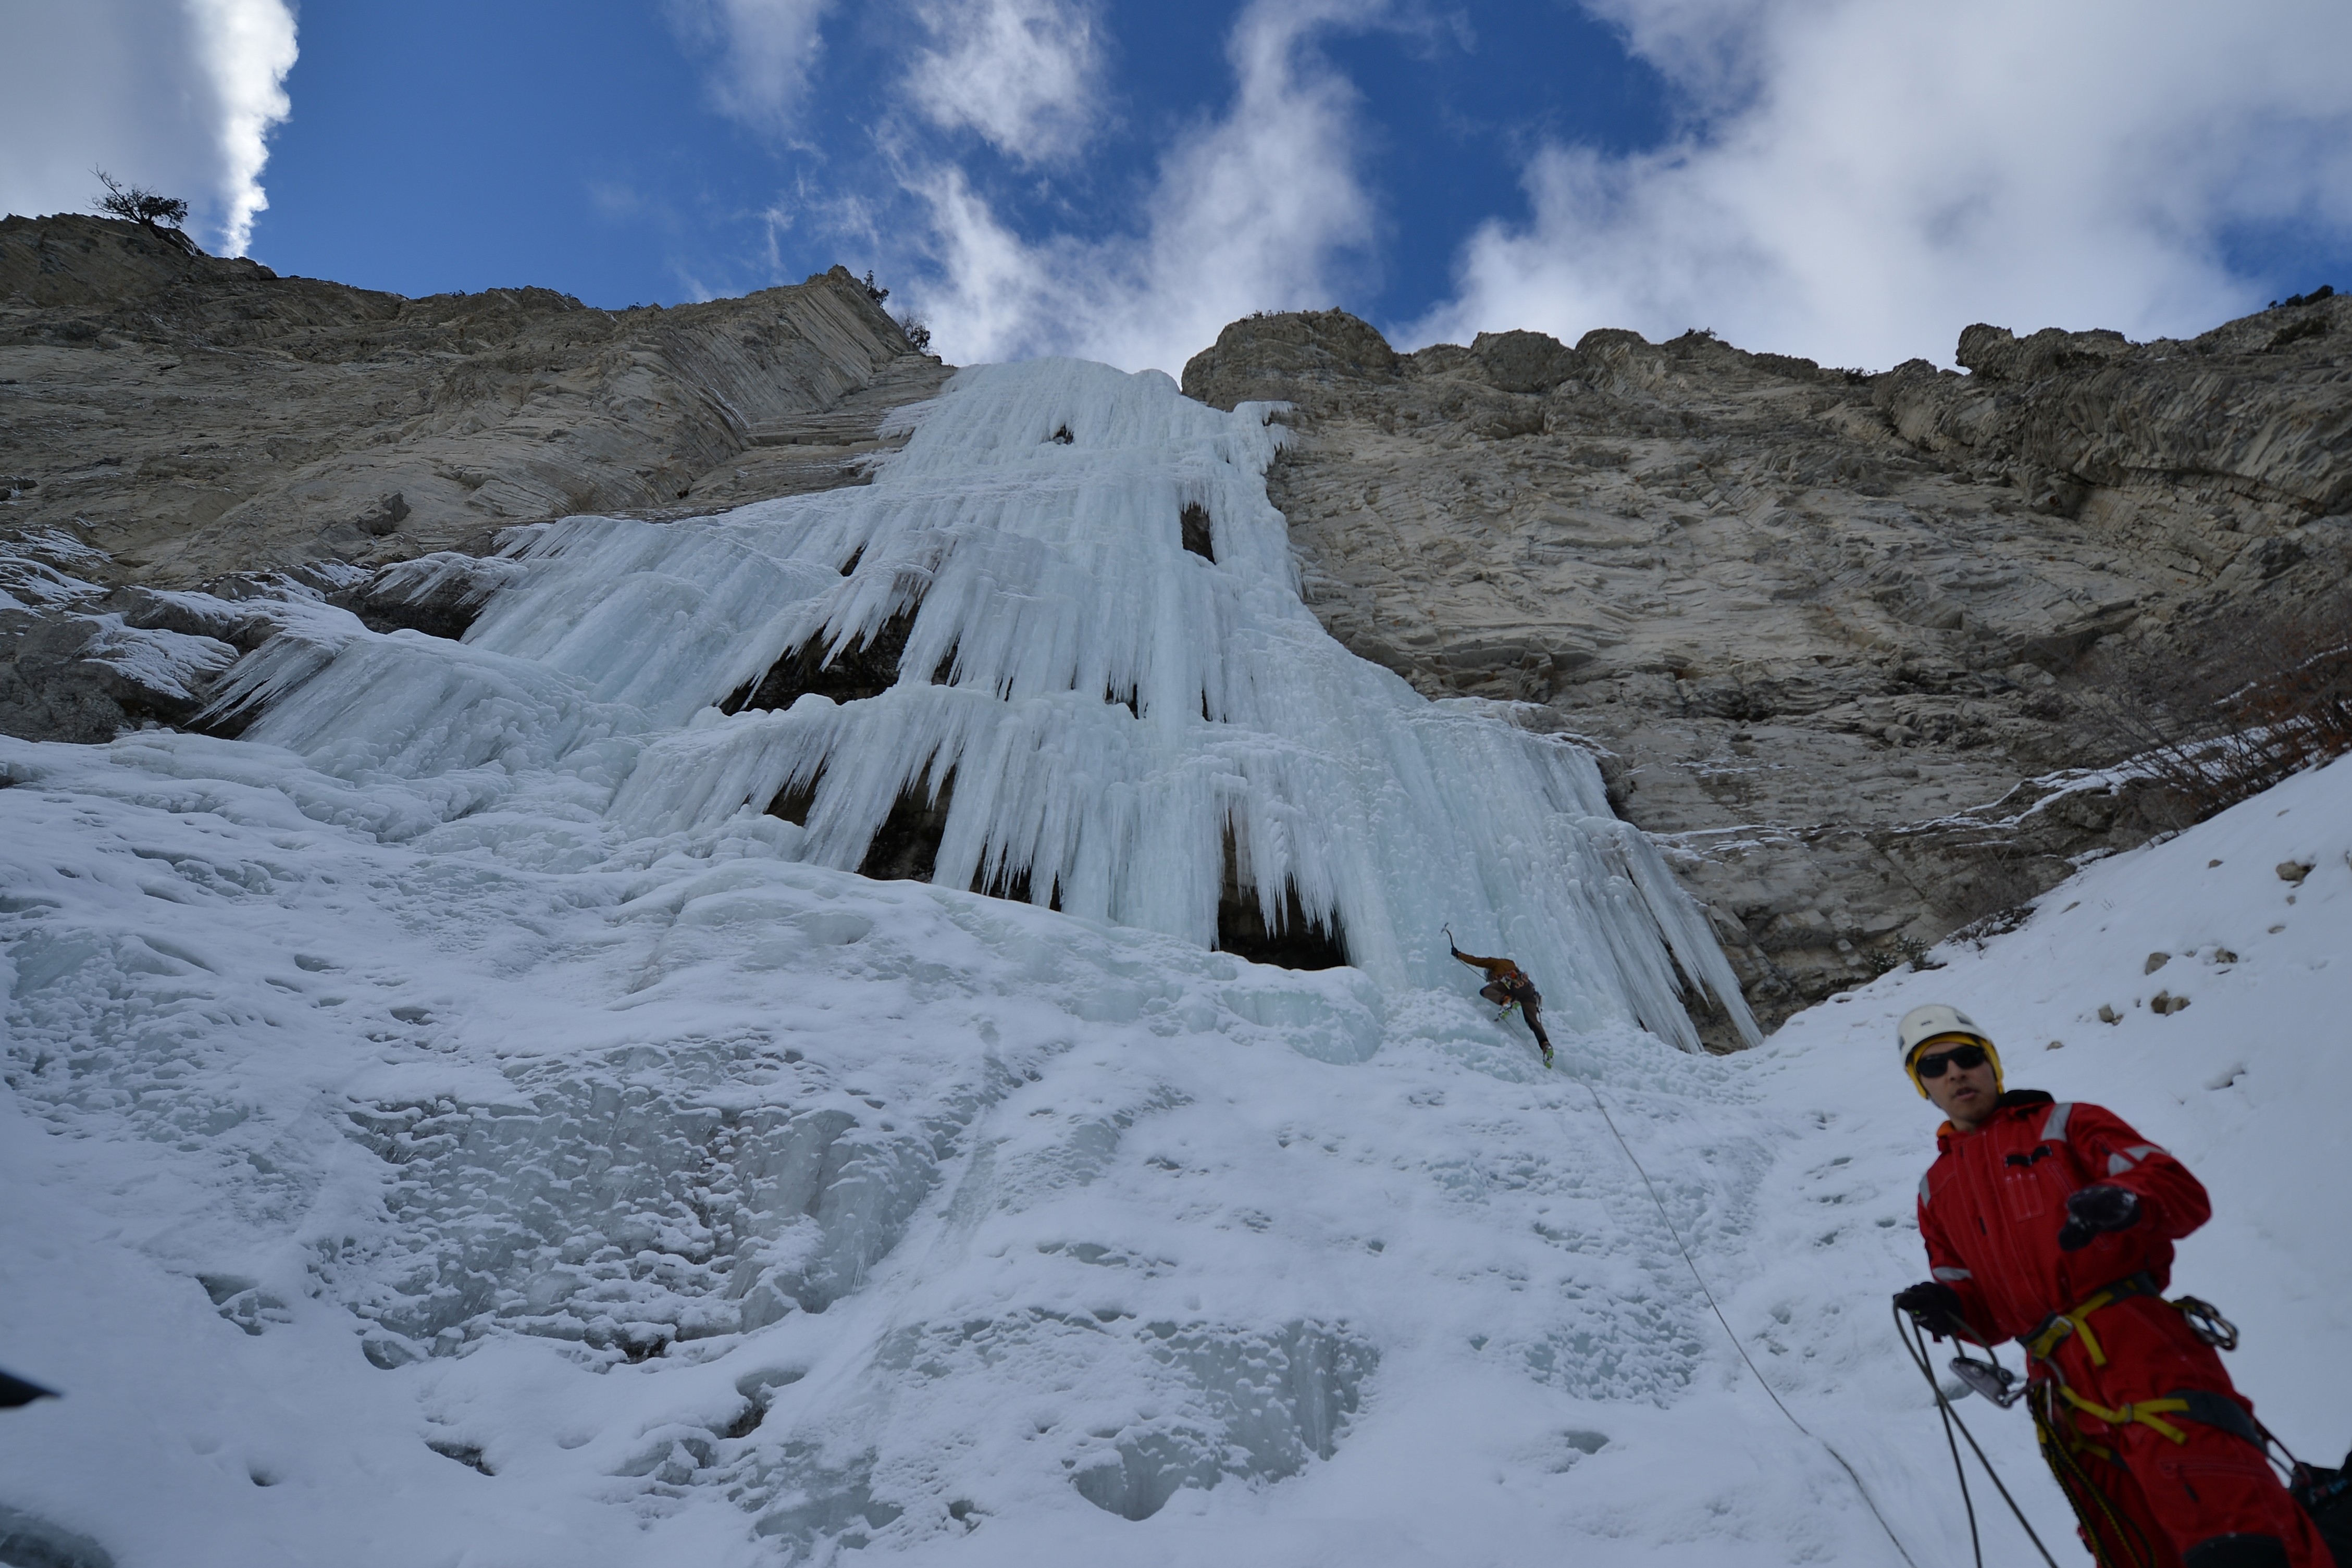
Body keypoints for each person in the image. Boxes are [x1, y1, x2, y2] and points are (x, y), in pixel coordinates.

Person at [1890, 1003, 2333, 1568]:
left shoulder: (2068, 1124)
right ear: (1921, 1086)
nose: (1954, 1072)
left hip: (2138, 1346)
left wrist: (2127, 1200)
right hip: (2055, 1388)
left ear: (1990, 1065)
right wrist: (1948, 1307)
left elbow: (2175, 1189)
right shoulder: (1935, 1190)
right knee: (2130, 1548)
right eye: (1933, 1066)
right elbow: (1984, 1317)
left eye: (1966, 1056)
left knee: (2234, 1531)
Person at [1447, 929, 1552, 1067]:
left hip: (1512, 986)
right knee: (1533, 1021)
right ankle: (1546, 1046)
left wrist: (1459, 955)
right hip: (1529, 991)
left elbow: (1478, 961)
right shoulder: (1512, 964)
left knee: (1486, 991)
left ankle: (1506, 1001)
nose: (1491, 979)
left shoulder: (1495, 964)